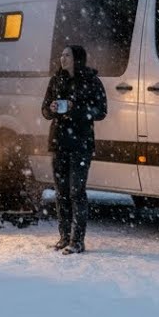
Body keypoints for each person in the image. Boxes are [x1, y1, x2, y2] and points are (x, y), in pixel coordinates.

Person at [41, 45, 107, 254]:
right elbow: (44, 110)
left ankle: (77, 240)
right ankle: (64, 237)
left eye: (67, 55)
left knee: (76, 191)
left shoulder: (91, 81)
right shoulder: (56, 80)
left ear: (77, 58)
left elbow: (101, 111)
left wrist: (75, 108)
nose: (62, 58)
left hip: (80, 143)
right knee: (61, 192)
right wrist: (51, 109)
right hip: (59, 142)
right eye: (61, 55)